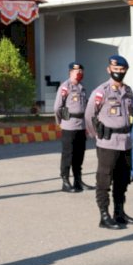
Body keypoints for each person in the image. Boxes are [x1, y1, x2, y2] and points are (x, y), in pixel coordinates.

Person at [84, 55, 133, 229]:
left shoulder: (128, 91)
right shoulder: (101, 91)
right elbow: (89, 116)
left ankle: (119, 212)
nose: (118, 72)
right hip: (108, 143)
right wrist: (97, 135)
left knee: (122, 180)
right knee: (104, 180)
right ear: (109, 70)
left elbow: (131, 112)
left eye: (122, 70)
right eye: (115, 70)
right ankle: (104, 215)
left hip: (125, 142)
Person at [54, 62, 94, 192]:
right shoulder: (65, 87)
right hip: (69, 125)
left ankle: (78, 181)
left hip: (81, 125)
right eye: (77, 72)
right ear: (70, 72)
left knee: (79, 154)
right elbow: (58, 107)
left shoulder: (82, 88)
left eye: (81, 72)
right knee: (68, 155)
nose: (79, 74)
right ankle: (65, 181)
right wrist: (62, 122)